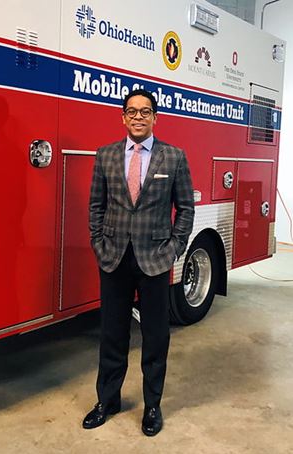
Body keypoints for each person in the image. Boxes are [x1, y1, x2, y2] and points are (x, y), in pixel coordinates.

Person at [83, 89, 195, 436]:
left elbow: (186, 208)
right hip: (114, 259)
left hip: (155, 260)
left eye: (145, 112)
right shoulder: (106, 156)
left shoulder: (174, 157)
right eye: (131, 111)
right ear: (123, 117)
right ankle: (108, 400)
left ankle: (152, 405)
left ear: (155, 118)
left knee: (155, 335)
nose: (138, 117)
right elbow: (96, 206)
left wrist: (174, 248)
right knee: (112, 334)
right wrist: (99, 244)